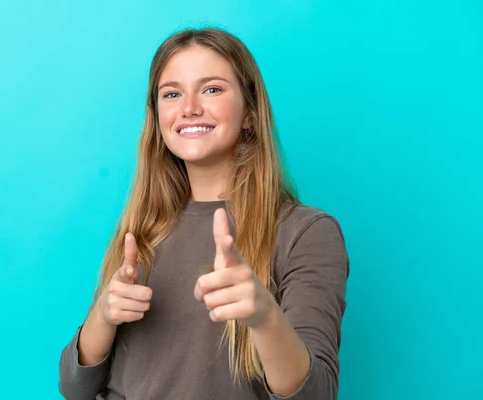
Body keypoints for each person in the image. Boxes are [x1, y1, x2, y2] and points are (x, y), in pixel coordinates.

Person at [58, 27, 349, 400]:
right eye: (172, 94)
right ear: (157, 116)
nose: (189, 107)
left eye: (211, 89)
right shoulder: (142, 229)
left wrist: (265, 317)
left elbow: (317, 393)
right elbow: (73, 387)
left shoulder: (305, 232)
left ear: (250, 112)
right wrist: (103, 316)